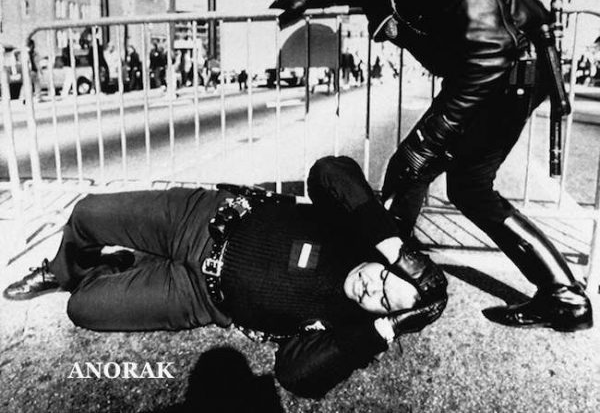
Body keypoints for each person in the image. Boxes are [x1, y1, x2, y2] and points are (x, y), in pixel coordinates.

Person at [272, 0, 592, 331]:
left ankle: (394, 276)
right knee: (465, 188)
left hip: (501, 74)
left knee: (416, 168)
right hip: (503, 75)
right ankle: (564, 298)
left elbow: (490, 53)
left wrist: (430, 139)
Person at [3, 156, 447, 398]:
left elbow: (296, 376)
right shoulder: (359, 230)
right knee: (86, 214)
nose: (372, 288)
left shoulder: (347, 331)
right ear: (388, 260)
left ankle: (123, 267)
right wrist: (395, 246)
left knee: (82, 309)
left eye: (383, 302)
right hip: (198, 219)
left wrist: (381, 332)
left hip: (197, 295)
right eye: (384, 277)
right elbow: (330, 171)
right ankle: (62, 269)